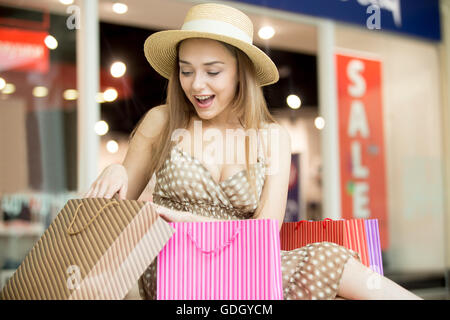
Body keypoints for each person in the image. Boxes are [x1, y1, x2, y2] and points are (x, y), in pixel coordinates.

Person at [85, 3, 420, 300]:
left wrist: (187, 219)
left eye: (212, 71)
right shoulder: (160, 121)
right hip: (174, 265)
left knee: (330, 259)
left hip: (240, 265)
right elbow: (118, 217)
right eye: (186, 70)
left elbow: (265, 232)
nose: (196, 84)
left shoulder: (272, 137)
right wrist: (118, 172)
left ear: (240, 73)